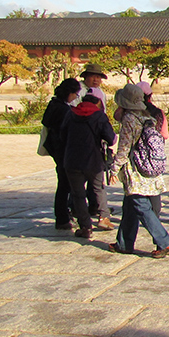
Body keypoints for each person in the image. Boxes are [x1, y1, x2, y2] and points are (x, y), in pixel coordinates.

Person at [107, 84, 169, 258]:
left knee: (141, 205)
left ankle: (165, 242)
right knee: (130, 205)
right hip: (148, 166)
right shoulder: (147, 116)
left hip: (135, 169)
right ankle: (124, 243)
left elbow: (124, 148)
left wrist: (114, 168)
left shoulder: (129, 119)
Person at [61, 94, 116, 239]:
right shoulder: (99, 116)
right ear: (96, 104)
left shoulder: (70, 114)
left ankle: (85, 226)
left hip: (72, 159)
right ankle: (104, 217)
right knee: (98, 188)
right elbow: (110, 139)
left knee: (78, 194)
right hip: (94, 160)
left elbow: (62, 136)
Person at [41, 78, 81, 230]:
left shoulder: (53, 104)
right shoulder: (64, 110)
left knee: (63, 185)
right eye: (75, 94)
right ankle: (63, 217)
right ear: (69, 93)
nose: (75, 97)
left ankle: (62, 216)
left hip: (56, 149)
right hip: (63, 150)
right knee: (65, 186)